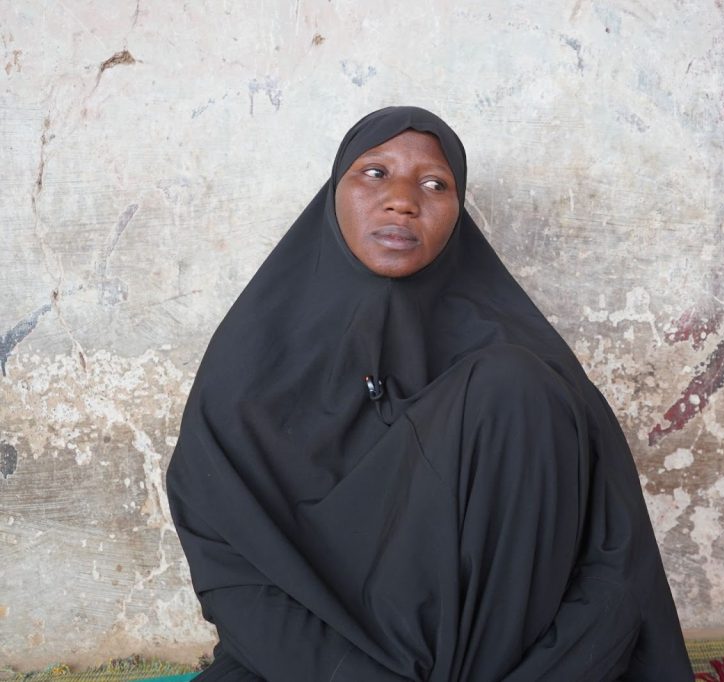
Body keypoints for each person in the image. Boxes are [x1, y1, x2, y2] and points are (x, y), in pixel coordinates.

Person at [166, 106, 694, 681]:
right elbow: (233, 573)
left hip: (503, 660)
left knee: (515, 389)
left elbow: (612, 564)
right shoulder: (252, 360)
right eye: (374, 173)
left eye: (434, 183)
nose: (402, 200)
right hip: (321, 660)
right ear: (333, 193)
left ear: (458, 212)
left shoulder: (516, 366)